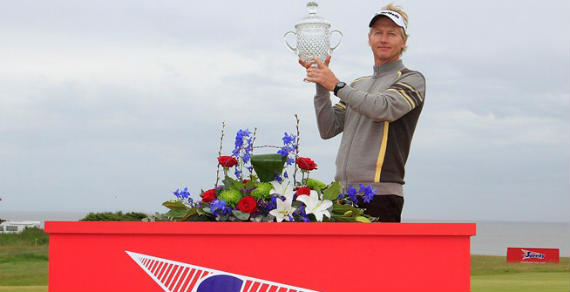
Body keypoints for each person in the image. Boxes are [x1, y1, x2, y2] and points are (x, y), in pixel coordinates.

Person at [300, 3, 426, 222]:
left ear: (403, 41)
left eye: (392, 33)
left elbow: (382, 108)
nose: (384, 38)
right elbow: (328, 128)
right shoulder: (357, 85)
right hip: (343, 196)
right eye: (378, 33)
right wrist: (321, 82)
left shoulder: (412, 79)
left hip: (382, 196)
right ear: (369, 39)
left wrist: (336, 86)